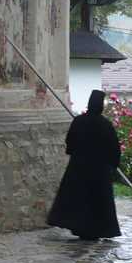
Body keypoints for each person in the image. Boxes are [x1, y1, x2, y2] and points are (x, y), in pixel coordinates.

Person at [47, 90, 122, 241]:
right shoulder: (105, 125)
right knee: (96, 201)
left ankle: (79, 227)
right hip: (99, 171)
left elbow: (70, 143)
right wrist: (112, 165)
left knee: (79, 199)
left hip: (79, 167)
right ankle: (95, 230)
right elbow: (114, 148)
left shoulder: (79, 121)